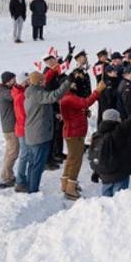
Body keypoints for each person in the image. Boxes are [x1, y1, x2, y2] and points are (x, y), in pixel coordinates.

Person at [20, 67, 72, 193]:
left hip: (34, 133)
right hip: (39, 134)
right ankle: (33, 189)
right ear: (38, 82)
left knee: (33, 163)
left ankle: (30, 186)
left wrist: (54, 114)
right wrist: (68, 82)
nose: (45, 82)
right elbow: (53, 96)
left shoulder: (32, 93)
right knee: (38, 164)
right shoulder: (37, 93)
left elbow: (40, 109)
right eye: (43, 80)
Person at [58, 71, 101, 200]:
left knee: (71, 159)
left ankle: (65, 183)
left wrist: (83, 112)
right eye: (72, 83)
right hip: (74, 133)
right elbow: (85, 102)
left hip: (74, 132)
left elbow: (78, 108)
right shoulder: (69, 97)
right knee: (76, 160)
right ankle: (71, 188)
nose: (75, 84)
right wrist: (98, 91)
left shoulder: (69, 96)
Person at [0, 71, 19, 187]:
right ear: (7, 81)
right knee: (12, 153)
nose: (15, 81)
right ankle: (6, 177)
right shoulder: (4, 92)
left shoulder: (3, 91)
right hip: (10, 127)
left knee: (10, 152)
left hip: (10, 126)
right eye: (13, 80)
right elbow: (15, 96)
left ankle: (7, 175)